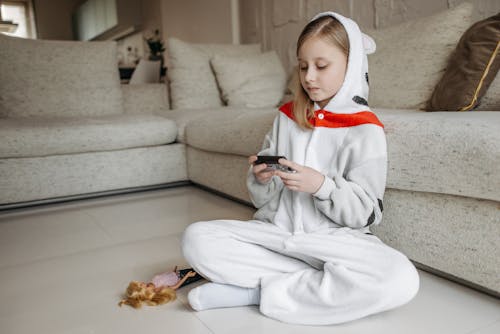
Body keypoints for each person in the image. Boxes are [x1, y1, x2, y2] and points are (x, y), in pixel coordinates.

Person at [181, 11, 419, 325]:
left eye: (321, 66)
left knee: (400, 278)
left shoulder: (365, 129)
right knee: (196, 239)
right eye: (303, 65)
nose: (308, 77)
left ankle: (255, 293)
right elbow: (262, 201)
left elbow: (367, 212)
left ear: (351, 66)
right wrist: (261, 180)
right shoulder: (286, 118)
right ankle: (319, 281)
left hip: (334, 242)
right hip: (277, 234)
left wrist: (322, 186)